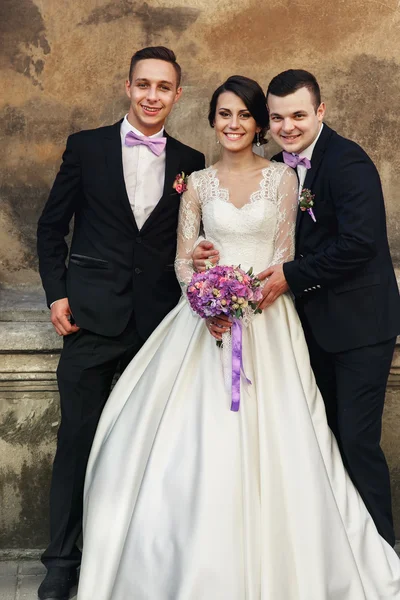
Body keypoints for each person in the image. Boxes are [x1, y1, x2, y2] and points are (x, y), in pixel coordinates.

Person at [76, 75, 400, 600]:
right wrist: (204, 296)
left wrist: (251, 294)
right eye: (225, 115)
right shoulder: (197, 183)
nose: (235, 124)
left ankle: (355, 548)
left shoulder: (289, 179)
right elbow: (183, 258)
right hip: (205, 323)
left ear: (262, 125)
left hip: (272, 317)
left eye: (246, 116)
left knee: (318, 441)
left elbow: (287, 254)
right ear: (212, 120)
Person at [195, 69, 400, 548]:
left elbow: (359, 243)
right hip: (309, 328)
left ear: (320, 112)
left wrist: (291, 274)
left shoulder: (347, 162)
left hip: (359, 327)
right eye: (279, 117)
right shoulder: (277, 169)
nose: (288, 126)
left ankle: (380, 551)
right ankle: (333, 547)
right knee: (319, 442)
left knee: (354, 442)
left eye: (299, 116)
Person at [36, 46, 205, 600]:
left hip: (156, 327)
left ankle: (131, 558)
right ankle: (62, 564)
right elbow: (51, 227)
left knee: (145, 449)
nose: (152, 95)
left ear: (177, 95)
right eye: (143, 85)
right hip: (88, 320)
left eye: (164, 87)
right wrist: (56, 295)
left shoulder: (191, 159)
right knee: (78, 443)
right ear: (127, 87)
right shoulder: (85, 147)